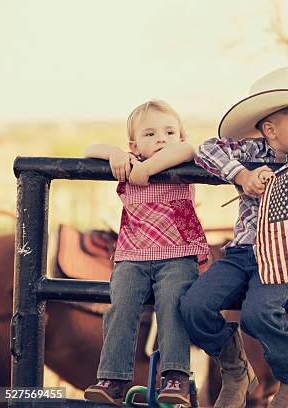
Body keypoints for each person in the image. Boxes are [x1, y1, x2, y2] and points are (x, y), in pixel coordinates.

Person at [180, 66, 288, 407]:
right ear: (271, 129)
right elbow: (206, 149)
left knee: (258, 313)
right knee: (194, 305)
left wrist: (275, 175)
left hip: (285, 256)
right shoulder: (247, 152)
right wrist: (243, 175)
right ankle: (234, 369)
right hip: (243, 252)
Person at [83, 99, 209, 406]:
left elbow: (188, 148)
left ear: (179, 136)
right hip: (132, 256)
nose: (162, 139)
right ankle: (113, 378)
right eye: (150, 134)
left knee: (173, 307)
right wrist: (114, 154)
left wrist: (149, 168)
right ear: (134, 145)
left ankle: (175, 377)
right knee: (121, 307)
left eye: (169, 131)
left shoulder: (182, 162)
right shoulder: (127, 162)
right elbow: (89, 150)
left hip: (177, 254)